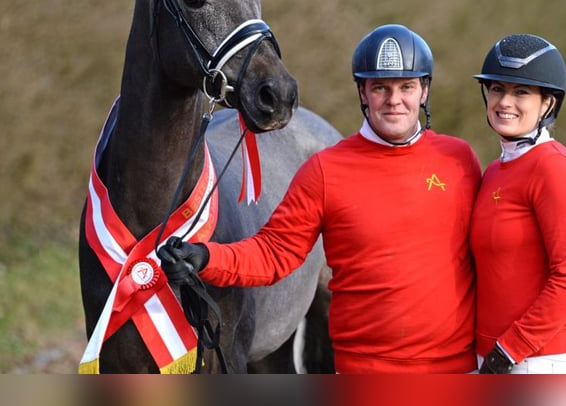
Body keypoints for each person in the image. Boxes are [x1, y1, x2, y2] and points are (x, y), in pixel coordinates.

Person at [159, 23, 482, 373]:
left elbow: (493, 254)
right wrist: (205, 258)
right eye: (380, 88)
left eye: (407, 87)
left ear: (424, 91)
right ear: (362, 92)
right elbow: (274, 252)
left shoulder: (459, 160)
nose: (394, 100)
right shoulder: (325, 170)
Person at [471, 33, 566, 374]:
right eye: (497, 89)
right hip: (493, 357)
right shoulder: (496, 170)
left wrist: (510, 350)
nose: (505, 101)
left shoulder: (555, 170)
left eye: (520, 92)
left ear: (547, 104)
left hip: (538, 360)